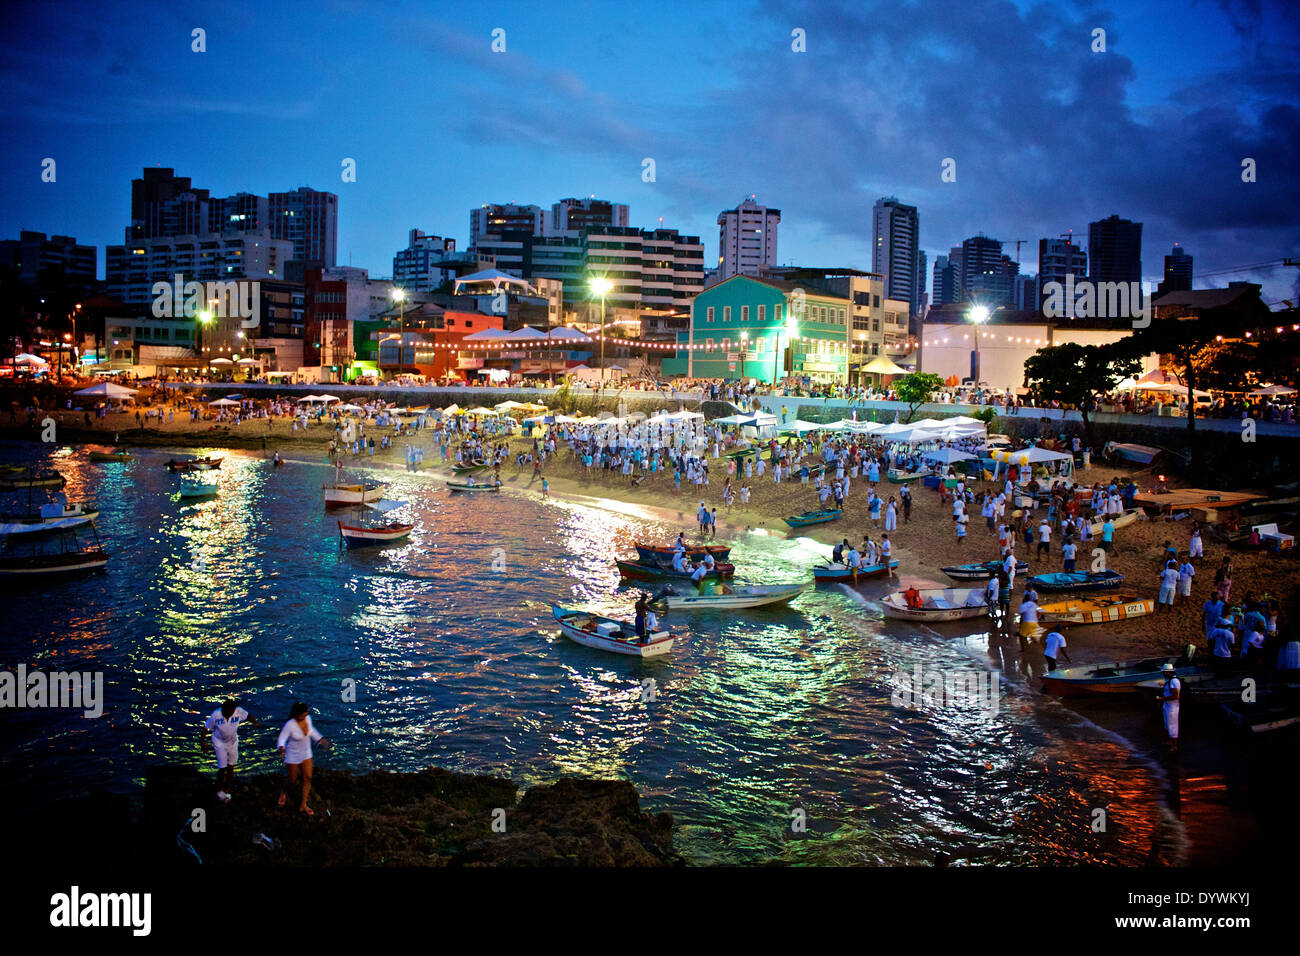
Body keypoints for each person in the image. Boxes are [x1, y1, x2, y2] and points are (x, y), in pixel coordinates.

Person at [202, 699, 262, 802]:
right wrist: (203, 742)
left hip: (233, 742)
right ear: (223, 709)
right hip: (219, 742)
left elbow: (248, 715)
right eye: (228, 711)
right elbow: (205, 728)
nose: (230, 713)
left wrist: (255, 722)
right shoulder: (216, 715)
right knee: (222, 767)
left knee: (231, 766)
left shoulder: (238, 711)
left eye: (232, 711)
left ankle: (227, 789)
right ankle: (219, 789)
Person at [277, 702, 330, 815]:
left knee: (308, 778)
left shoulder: (308, 719)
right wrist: (281, 748)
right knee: (292, 779)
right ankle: (284, 792)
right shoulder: (290, 725)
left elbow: (312, 732)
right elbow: (282, 739)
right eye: (303, 714)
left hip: (306, 754)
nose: (305, 716)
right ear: (297, 714)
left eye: (306, 714)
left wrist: (321, 739)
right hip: (293, 755)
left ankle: (303, 805)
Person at [1158, 663, 1180, 752]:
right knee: (1167, 724)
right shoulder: (1170, 680)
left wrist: (1162, 698)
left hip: (1172, 706)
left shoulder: (1174, 681)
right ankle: (1170, 741)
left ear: (1167, 672)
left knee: (1173, 725)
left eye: (1164, 672)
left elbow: (1176, 696)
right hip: (1168, 705)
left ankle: (1175, 745)